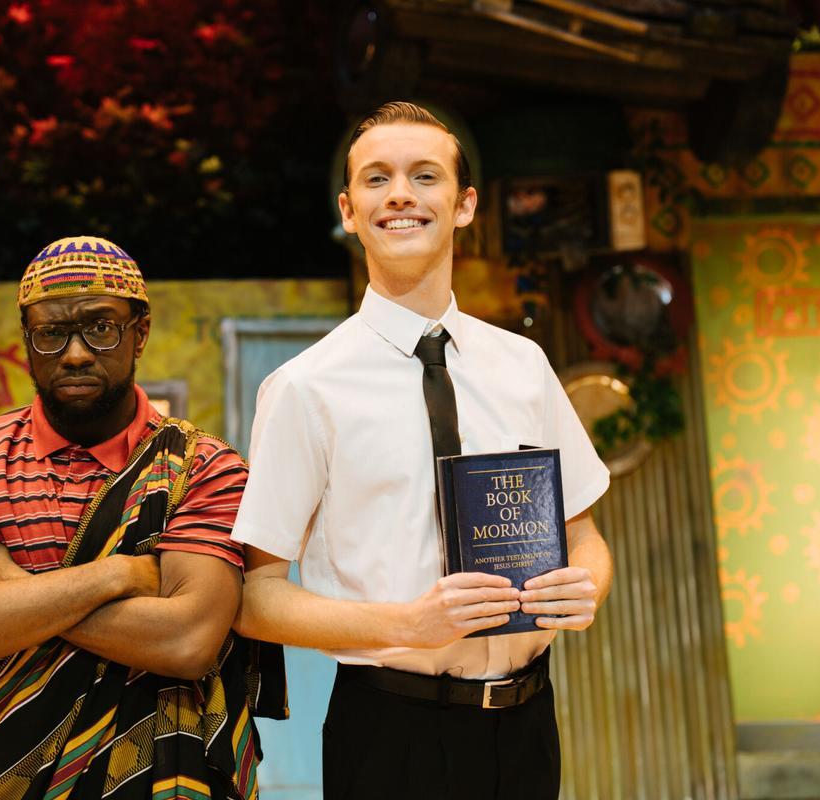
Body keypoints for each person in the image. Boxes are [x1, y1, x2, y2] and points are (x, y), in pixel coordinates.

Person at [231, 102, 613, 799]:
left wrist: (585, 586)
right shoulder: (305, 387)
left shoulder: (523, 364)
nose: (401, 193)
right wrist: (406, 624)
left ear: (464, 205)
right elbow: (256, 598)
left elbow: (585, 537)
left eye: (424, 175)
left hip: (528, 723)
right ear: (350, 210)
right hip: (390, 730)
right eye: (377, 179)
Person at [0, 235, 279, 800]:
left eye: (100, 327)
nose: (75, 353)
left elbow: (186, 640)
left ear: (140, 332)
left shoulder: (203, 468)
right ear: (27, 340)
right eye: (51, 334)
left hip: (161, 783)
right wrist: (118, 576)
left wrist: (11, 590)